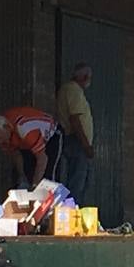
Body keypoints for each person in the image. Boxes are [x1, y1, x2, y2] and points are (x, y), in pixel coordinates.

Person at [0, 107, 63, 189]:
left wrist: (35, 185)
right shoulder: (4, 136)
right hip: (25, 141)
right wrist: (22, 176)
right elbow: (16, 155)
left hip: (51, 136)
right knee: (24, 175)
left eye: (0, 138)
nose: (0, 142)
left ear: (7, 127)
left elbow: (42, 159)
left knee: (49, 176)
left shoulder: (25, 129)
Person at [56, 63, 94, 206]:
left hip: (75, 141)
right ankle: (72, 214)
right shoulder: (73, 89)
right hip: (76, 141)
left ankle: (72, 213)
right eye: (88, 77)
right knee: (77, 181)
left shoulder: (70, 90)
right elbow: (75, 119)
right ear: (83, 77)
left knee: (78, 179)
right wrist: (86, 145)